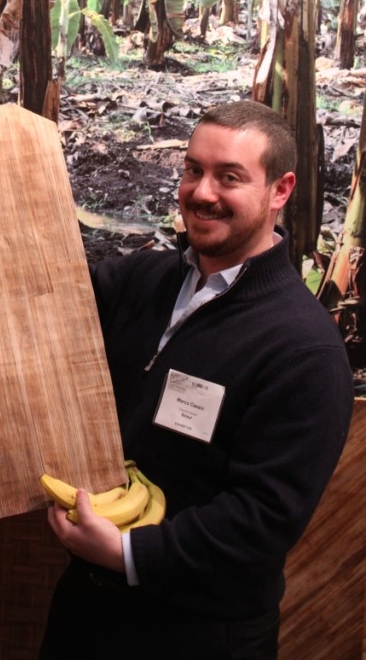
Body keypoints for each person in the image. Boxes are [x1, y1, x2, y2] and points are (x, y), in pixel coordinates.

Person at [39, 100, 354, 660]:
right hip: (85, 608)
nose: (201, 192)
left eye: (229, 177)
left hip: (197, 633)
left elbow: (263, 518)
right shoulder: (141, 281)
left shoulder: (302, 349)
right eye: (193, 170)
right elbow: (40, 302)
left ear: (280, 191)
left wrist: (129, 553)